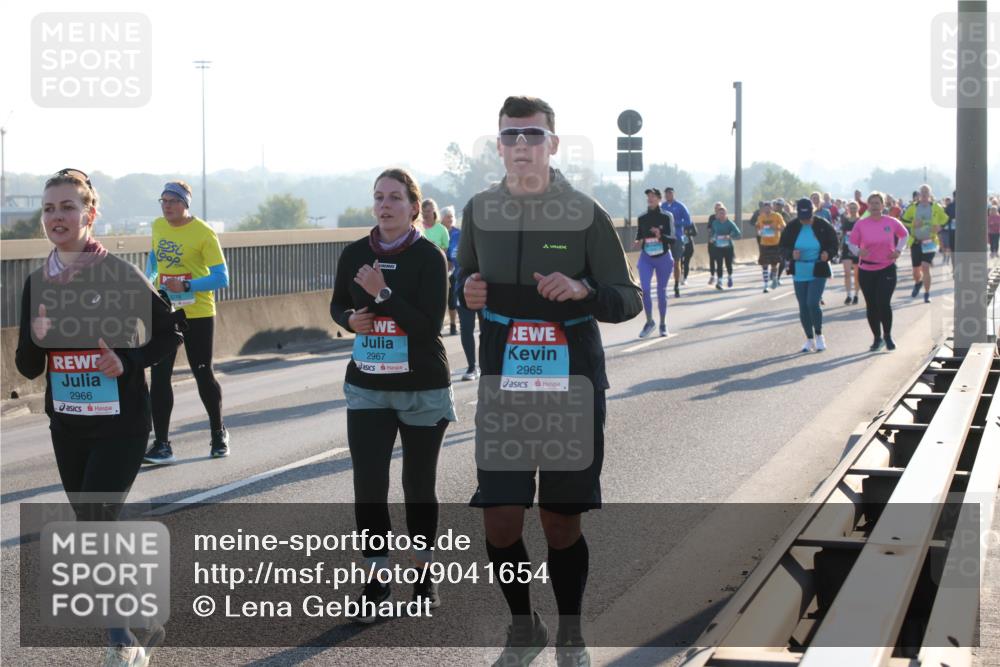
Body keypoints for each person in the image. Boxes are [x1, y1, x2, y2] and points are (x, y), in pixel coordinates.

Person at [458, 95, 642, 667]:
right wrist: (465, 291)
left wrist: (585, 290)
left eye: (533, 135)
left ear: (553, 144)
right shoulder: (478, 210)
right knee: (500, 518)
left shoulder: (585, 212)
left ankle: (571, 633)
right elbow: (463, 279)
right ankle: (524, 628)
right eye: (510, 135)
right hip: (504, 389)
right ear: (498, 146)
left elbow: (629, 298)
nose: (521, 145)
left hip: (571, 389)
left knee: (560, 521)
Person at [16, 169, 182, 666]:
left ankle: (122, 642)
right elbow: (28, 366)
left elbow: (169, 333)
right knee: (93, 527)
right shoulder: (36, 283)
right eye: (49, 209)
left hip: (121, 424)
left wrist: (127, 362)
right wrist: (37, 336)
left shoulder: (118, 275)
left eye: (67, 207)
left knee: (93, 519)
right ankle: (143, 623)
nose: (56, 217)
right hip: (68, 423)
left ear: (89, 214)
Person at [330, 168, 455, 621]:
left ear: (414, 207)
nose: (385, 205)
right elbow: (337, 304)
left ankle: (423, 575)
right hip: (368, 385)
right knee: (369, 486)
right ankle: (377, 580)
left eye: (395, 198)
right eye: (379, 197)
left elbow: (428, 327)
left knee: (417, 486)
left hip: (422, 386)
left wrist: (381, 293)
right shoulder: (355, 253)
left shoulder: (429, 257)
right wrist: (349, 319)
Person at [143, 181, 230, 464]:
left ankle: (218, 434)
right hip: (165, 312)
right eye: (163, 201)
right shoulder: (158, 226)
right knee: (159, 377)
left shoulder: (203, 232)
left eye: (173, 201)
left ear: (185, 204)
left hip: (197, 313)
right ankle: (162, 445)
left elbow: (221, 278)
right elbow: (155, 258)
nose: (167, 206)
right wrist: (148, 280)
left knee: (203, 373)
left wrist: (187, 285)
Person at [848, 192, 909, 351]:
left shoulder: (891, 222)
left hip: (886, 267)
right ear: (868, 206)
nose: (874, 206)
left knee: (883, 302)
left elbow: (904, 235)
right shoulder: (861, 224)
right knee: (871, 305)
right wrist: (858, 251)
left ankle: (887, 335)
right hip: (866, 269)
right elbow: (851, 243)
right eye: (872, 203)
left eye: (877, 203)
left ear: (883, 205)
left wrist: (898, 250)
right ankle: (877, 338)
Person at [779, 198, 839, 352]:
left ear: (813, 212)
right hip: (799, 270)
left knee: (812, 302)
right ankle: (809, 339)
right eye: (802, 217)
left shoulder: (823, 225)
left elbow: (834, 243)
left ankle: (819, 335)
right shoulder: (792, 227)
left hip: (818, 268)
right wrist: (791, 254)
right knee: (803, 306)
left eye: (807, 217)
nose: (805, 220)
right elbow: (782, 247)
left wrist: (828, 254)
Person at [635, 188, 675, 337]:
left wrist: (660, 235)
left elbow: (673, 239)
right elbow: (640, 234)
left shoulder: (666, 216)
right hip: (646, 257)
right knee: (645, 290)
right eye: (648, 196)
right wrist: (638, 240)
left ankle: (663, 324)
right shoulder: (642, 218)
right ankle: (649, 322)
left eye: (653, 196)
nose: (650, 199)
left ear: (659, 199)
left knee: (661, 292)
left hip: (663, 258)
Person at [900, 184, 948, 303]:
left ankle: (927, 293)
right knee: (916, 271)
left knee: (925, 266)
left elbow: (946, 220)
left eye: (926, 192)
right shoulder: (913, 207)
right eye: (922, 192)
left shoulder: (936, 207)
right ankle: (918, 282)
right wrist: (913, 224)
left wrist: (940, 227)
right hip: (916, 241)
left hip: (930, 241)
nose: (924, 194)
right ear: (919, 194)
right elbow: (903, 220)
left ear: (930, 194)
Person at [660, 186, 692, 297]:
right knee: (663, 262)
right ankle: (663, 286)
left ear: (673, 194)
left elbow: (688, 221)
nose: (668, 195)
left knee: (676, 262)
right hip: (664, 238)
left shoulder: (680, 206)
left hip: (677, 237)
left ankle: (676, 285)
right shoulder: (662, 206)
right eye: (666, 193)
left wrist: (675, 223)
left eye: (670, 193)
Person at [708, 205, 741, 290]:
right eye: (720, 213)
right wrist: (712, 238)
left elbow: (738, 233)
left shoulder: (729, 223)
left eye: (723, 213)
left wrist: (729, 236)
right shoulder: (715, 223)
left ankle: (729, 276)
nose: (721, 215)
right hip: (718, 246)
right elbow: (713, 232)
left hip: (728, 247)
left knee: (728, 264)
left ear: (726, 214)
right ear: (717, 214)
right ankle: (720, 281)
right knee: (719, 264)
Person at [755, 201, 785, 293]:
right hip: (764, 244)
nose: (767, 209)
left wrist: (775, 228)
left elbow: (783, 227)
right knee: (764, 265)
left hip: (775, 243)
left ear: (771, 208)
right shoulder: (760, 217)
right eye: (765, 207)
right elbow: (757, 226)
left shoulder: (777, 216)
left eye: (768, 207)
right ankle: (765, 285)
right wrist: (759, 232)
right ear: (763, 208)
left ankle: (774, 278)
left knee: (774, 264)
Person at [442, 205, 461, 336]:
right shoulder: (439, 231)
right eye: (448, 216)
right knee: (445, 299)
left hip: (456, 270)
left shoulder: (458, 233)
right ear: (442, 218)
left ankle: (454, 324)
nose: (450, 219)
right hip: (442, 270)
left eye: (452, 216)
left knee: (454, 299)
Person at [839, 200, 862, 305]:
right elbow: (843, 234)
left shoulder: (861, 221)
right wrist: (840, 246)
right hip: (847, 248)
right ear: (848, 209)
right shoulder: (845, 220)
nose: (852, 210)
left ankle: (856, 295)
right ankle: (849, 295)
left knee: (857, 274)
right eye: (851, 208)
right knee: (847, 273)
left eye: (854, 208)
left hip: (857, 249)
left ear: (858, 209)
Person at [943, 193, 957, 267]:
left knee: (954, 249)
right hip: (952, 230)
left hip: (953, 230)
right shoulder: (950, 206)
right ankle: (954, 266)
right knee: (953, 249)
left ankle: (955, 266)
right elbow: (945, 218)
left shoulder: (949, 206)